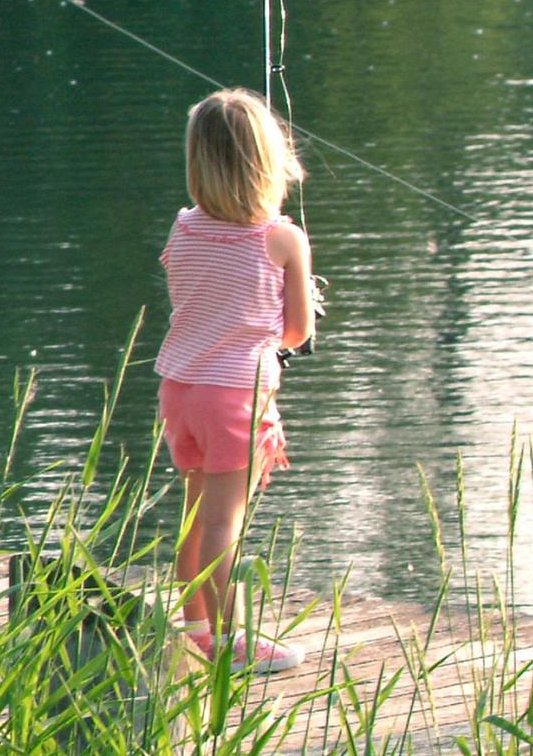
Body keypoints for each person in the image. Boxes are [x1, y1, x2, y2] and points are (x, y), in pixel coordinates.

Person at [155, 87, 316, 674]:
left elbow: (206, 297)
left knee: (196, 512)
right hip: (235, 396)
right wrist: (298, 289)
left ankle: (194, 626)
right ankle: (232, 640)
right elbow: (295, 332)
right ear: (268, 162)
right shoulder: (283, 239)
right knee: (226, 520)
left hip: (180, 388)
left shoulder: (184, 227)